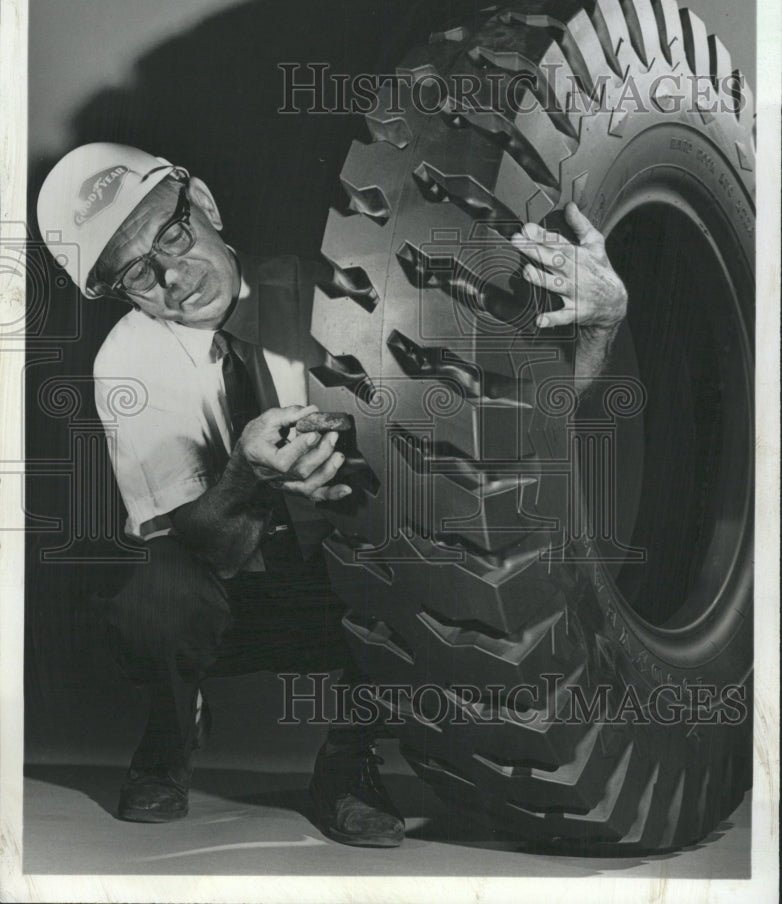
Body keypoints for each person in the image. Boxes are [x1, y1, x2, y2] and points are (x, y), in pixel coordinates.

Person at [36, 142, 627, 847]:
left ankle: (349, 761)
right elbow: (197, 547)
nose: (172, 276)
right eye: (134, 274)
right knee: (149, 595)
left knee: (430, 539)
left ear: (209, 210)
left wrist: (598, 329)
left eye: (172, 232)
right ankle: (170, 733)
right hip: (234, 600)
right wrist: (248, 479)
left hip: (351, 586)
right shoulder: (127, 359)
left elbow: (516, 440)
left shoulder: (339, 295)